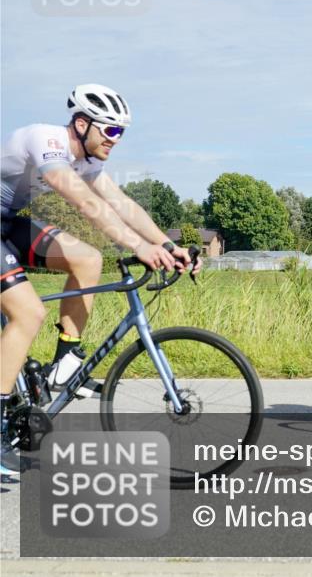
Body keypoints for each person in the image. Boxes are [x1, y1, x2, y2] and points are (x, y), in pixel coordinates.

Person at [1, 84, 199, 472]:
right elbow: (85, 202)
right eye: (110, 130)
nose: (116, 140)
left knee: (88, 259)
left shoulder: (89, 163)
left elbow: (122, 204)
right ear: (81, 123)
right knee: (28, 313)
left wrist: (166, 244)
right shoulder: (46, 140)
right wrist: (138, 248)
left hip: (9, 223)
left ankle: (65, 360)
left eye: (121, 132)